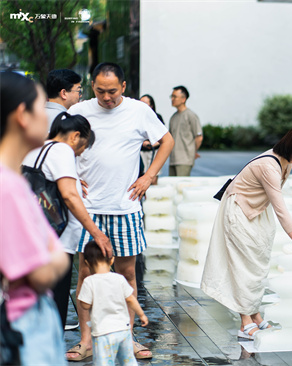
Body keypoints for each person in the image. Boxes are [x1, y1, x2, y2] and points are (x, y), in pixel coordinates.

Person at [66, 62, 174, 361]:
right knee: (87, 275)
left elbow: (167, 141)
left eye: (112, 91)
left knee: (127, 274)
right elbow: (59, 144)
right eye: (100, 91)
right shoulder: (81, 111)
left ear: (123, 87)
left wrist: (149, 175)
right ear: (93, 87)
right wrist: (72, 175)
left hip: (125, 206)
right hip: (89, 209)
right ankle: (86, 340)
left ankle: (128, 337)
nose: (107, 97)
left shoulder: (139, 111)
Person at [201, 126, 292, 340]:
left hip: (255, 212)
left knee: (256, 265)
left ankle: (255, 315)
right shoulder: (269, 166)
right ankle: (245, 322)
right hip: (238, 210)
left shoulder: (286, 162)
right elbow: (280, 208)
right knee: (243, 266)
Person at [0, 71, 70, 365]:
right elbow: (41, 273)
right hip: (23, 327)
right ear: (22, 115)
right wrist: (58, 258)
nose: (49, 119)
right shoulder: (9, 187)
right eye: (43, 108)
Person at [22, 112, 111, 331]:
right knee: (54, 304)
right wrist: (97, 234)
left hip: (32, 237)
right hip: (55, 242)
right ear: (76, 136)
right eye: (82, 148)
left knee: (34, 301)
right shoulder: (62, 150)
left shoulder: (37, 148)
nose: (80, 153)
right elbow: (70, 196)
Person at [78, 240, 148, 366]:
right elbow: (131, 299)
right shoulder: (119, 278)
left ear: (87, 263)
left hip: (102, 333)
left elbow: (85, 305)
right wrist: (141, 314)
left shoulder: (89, 282)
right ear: (111, 261)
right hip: (123, 330)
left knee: (104, 363)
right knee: (128, 361)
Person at [168, 85, 203, 176]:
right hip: (173, 160)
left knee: (181, 186)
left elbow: (199, 137)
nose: (172, 99)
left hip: (185, 160)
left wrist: (192, 152)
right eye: (171, 96)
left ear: (184, 99)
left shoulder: (191, 115)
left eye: (175, 96)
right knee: (172, 187)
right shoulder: (173, 117)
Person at [139, 94, 164, 184]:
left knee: (153, 177)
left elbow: (164, 138)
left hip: (154, 151)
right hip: (141, 152)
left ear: (151, 105)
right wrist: (142, 143)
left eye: (145, 103)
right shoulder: (137, 118)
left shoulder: (157, 117)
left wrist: (153, 144)